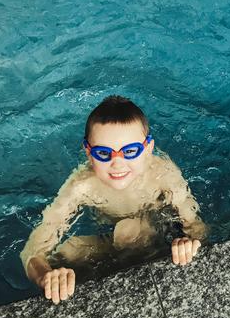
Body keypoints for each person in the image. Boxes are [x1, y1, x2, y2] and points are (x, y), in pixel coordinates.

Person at [20, 95, 207, 304]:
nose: (117, 163)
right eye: (103, 153)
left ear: (148, 150)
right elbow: (32, 251)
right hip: (109, 234)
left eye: (130, 151)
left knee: (131, 233)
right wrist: (46, 276)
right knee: (65, 255)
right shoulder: (81, 185)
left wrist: (189, 243)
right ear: (89, 153)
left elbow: (195, 225)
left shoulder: (163, 174)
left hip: (153, 226)